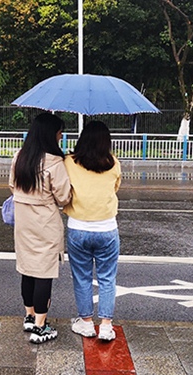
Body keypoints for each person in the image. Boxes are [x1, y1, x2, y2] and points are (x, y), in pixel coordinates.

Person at [9, 112, 72, 344]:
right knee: (44, 272)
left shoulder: (20, 157)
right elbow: (64, 197)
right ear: (50, 135)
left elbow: (11, 185)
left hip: (24, 223)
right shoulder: (55, 163)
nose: (61, 135)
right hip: (45, 223)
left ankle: (29, 315)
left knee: (27, 268)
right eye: (59, 131)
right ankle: (40, 326)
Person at [63, 121, 121, 341]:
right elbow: (115, 188)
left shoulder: (69, 161)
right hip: (107, 228)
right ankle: (106, 326)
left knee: (82, 277)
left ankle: (86, 323)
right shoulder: (114, 163)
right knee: (107, 278)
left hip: (78, 227)